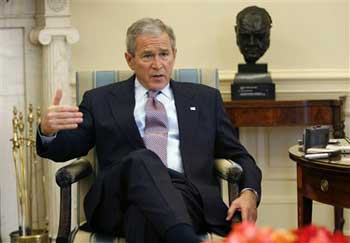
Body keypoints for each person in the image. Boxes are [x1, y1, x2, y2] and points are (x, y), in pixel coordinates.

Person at [37, 18, 262, 243]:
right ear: (130, 59)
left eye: (164, 54)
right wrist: (48, 132)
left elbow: (239, 155)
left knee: (144, 214)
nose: (157, 64)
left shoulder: (205, 99)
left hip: (186, 198)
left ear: (174, 54)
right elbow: (69, 147)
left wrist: (249, 192)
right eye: (147, 56)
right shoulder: (100, 100)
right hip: (116, 201)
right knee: (143, 159)